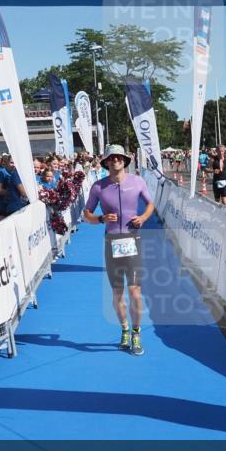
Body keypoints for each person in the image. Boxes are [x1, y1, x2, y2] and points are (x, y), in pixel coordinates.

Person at [82, 145, 154, 356]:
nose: (115, 161)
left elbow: (150, 204)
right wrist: (101, 218)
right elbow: (87, 215)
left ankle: (136, 333)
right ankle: (124, 327)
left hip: (133, 240)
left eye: (119, 157)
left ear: (125, 160)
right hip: (112, 242)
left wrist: (142, 218)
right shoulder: (98, 187)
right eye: (111, 158)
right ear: (106, 162)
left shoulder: (137, 181)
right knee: (117, 293)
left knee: (135, 292)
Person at [0, 153, 29, 217]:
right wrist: (11, 192)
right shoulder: (2, 172)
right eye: (11, 162)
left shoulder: (17, 173)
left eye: (16, 163)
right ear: (7, 162)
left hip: (12, 202)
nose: (14, 165)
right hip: (4, 204)